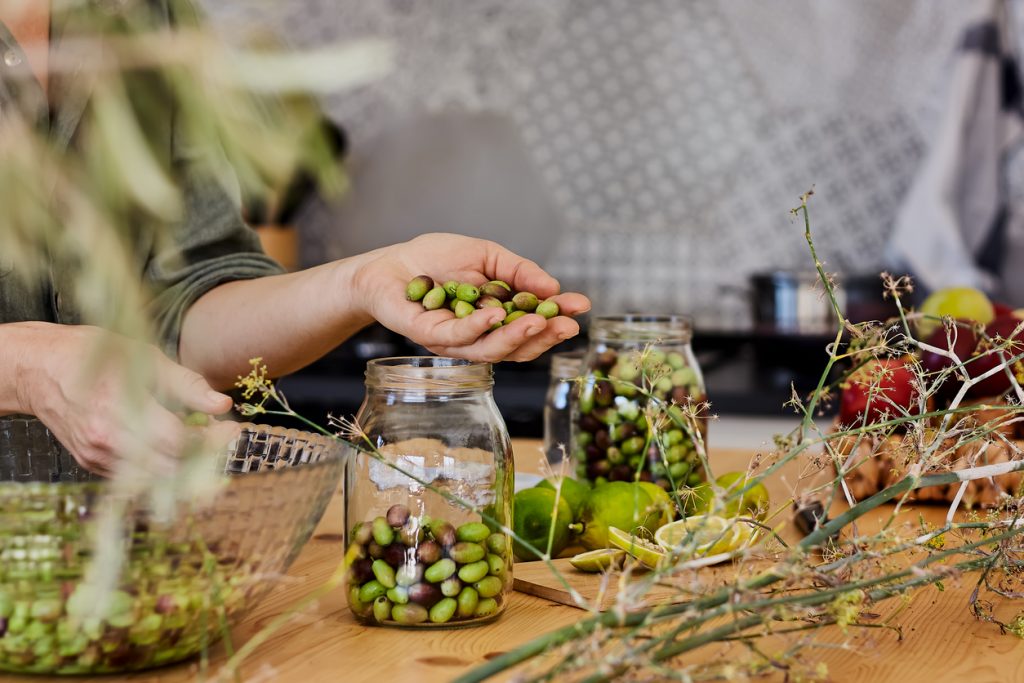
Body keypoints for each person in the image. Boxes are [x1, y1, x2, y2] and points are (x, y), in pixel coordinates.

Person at [0, 1, 590, 474]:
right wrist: (28, 365)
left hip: (112, 555)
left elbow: (181, 316)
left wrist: (363, 282)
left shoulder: (149, 14)